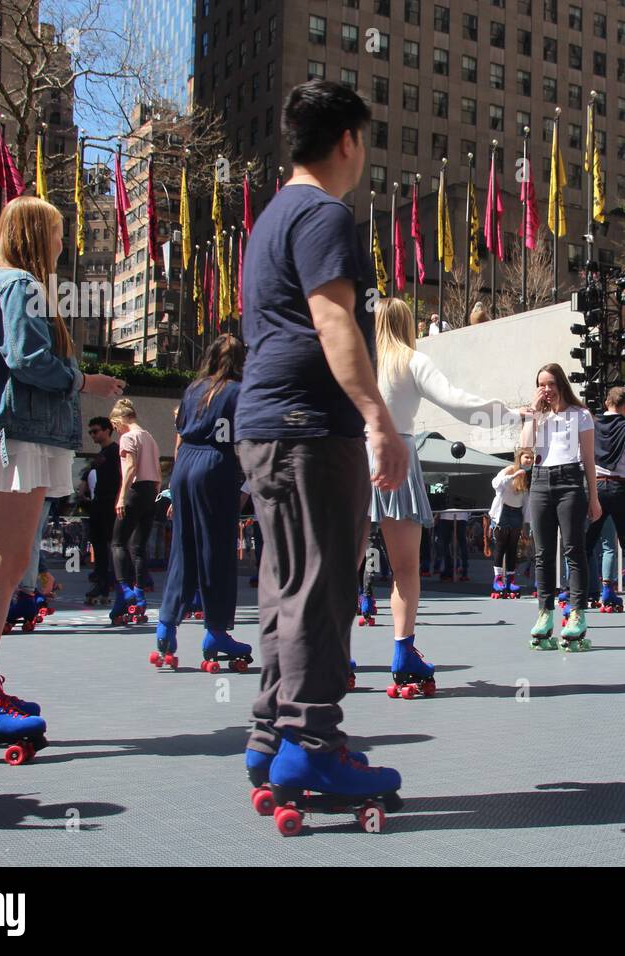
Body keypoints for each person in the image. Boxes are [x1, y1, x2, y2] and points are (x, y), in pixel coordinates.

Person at [238, 79, 407, 824]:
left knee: (285, 581)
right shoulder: (325, 214)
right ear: (348, 142)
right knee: (321, 584)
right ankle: (311, 744)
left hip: (266, 423)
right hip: (310, 426)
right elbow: (335, 322)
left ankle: (271, 731)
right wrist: (377, 416)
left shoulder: (272, 216)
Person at [0, 195, 123, 760]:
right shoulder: (21, 287)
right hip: (14, 438)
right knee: (6, 564)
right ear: (39, 237)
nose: (64, 245)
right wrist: (82, 380)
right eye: (59, 234)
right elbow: (28, 359)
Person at [368, 297, 523, 696]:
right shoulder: (410, 361)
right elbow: (458, 403)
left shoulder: (359, 361)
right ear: (406, 324)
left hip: (355, 459)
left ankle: (334, 655)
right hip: (398, 457)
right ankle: (403, 653)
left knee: (343, 568)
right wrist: (509, 415)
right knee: (404, 569)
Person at [154, 335, 252, 672]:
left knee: (183, 546)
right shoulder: (239, 392)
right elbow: (248, 438)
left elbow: (180, 433)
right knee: (217, 550)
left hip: (185, 465)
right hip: (216, 465)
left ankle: (166, 626)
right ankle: (217, 632)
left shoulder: (193, 389)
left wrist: (171, 489)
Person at [522, 363, 601, 650]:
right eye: (541, 384)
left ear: (561, 385)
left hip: (570, 479)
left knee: (573, 550)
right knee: (542, 553)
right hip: (541, 481)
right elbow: (523, 457)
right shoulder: (537, 417)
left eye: (551, 383)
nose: (546, 390)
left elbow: (590, 460)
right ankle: (545, 612)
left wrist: (593, 497)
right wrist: (531, 415)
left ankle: (577, 613)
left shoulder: (580, 415)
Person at [583, 386, 625, 626]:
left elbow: (584, 456)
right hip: (621, 488)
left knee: (585, 544)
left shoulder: (592, 425)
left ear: (606, 402)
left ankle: (574, 600)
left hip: (597, 487)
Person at [108, 398, 160, 624]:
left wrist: (121, 495)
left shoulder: (128, 438)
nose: (115, 430)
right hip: (151, 491)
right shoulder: (149, 437)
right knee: (138, 546)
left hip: (135, 490)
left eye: (114, 425)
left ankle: (123, 590)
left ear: (120, 420)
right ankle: (139, 594)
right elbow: (157, 470)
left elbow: (130, 467)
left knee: (118, 542)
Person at [78, 416, 121, 603]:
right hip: (97, 503)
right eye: (90, 432)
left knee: (113, 545)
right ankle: (102, 582)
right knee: (99, 545)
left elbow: (122, 476)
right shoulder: (101, 454)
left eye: (95, 431)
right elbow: (89, 473)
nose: (93, 435)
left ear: (107, 430)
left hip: (111, 503)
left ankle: (116, 583)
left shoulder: (115, 451)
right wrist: (83, 487)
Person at [489, 448, 534, 598]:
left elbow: (526, 500)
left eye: (532, 458)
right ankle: (497, 579)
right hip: (504, 511)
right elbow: (495, 484)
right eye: (527, 457)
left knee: (512, 548)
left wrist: (526, 522)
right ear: (519, 458)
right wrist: (514, 475)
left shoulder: (528, 475)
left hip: (517, 513)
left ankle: (511, 579)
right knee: (501, 545)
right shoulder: (510, 469)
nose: (529, 460)